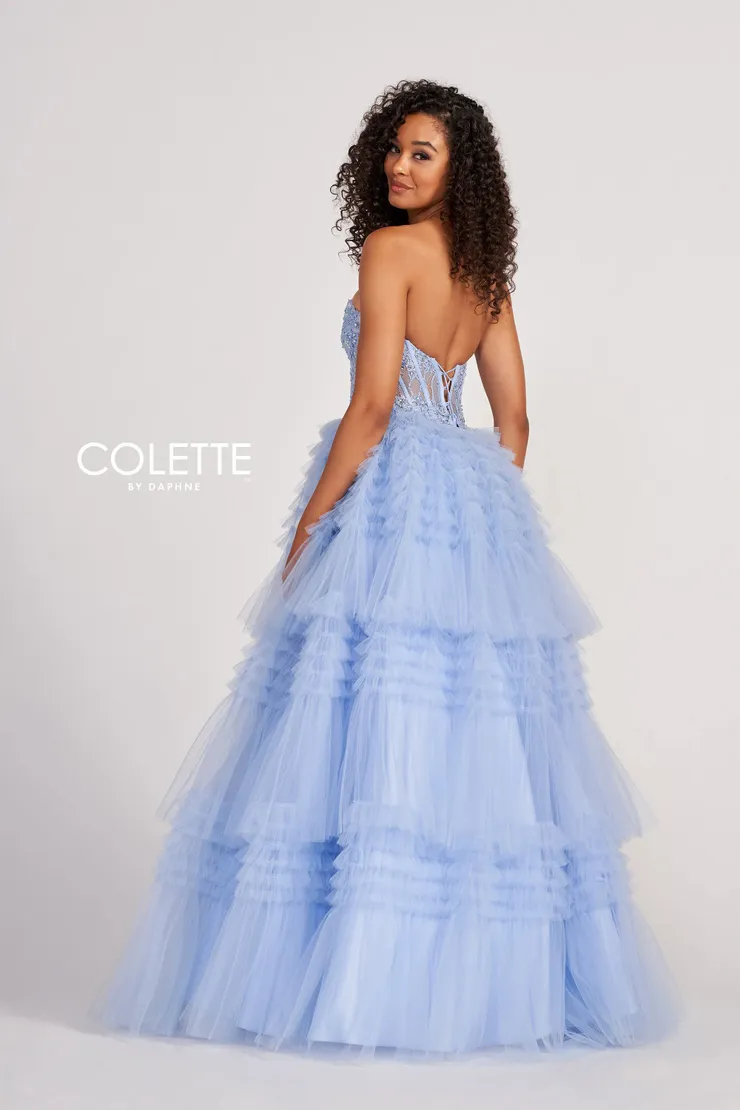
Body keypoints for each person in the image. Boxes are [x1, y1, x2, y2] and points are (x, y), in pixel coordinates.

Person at [93, 78, 679, 1057]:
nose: (397, 166)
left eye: (421, 153)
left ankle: (355, 985)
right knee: (464, 730)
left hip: (389, 490)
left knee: (353, 714)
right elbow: (514, 424)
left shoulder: (388, 252)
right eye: (395, 149)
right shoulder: (485, 278)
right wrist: (482, 519)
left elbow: (371, 410)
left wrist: (310, 525)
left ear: (458, 171)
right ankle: (475, 994)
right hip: (466, 503)